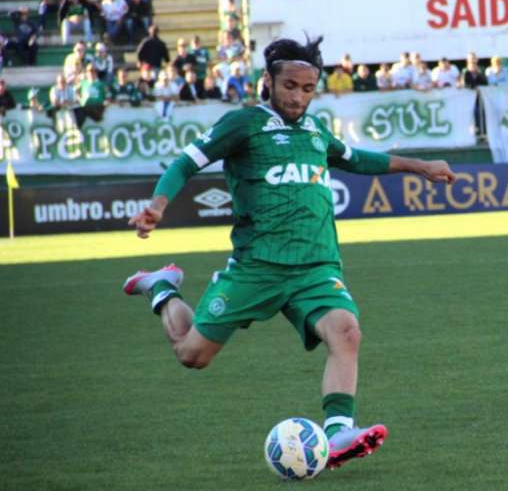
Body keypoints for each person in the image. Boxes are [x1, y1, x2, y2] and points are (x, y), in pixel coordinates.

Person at [123, 35, 456, 471]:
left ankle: (337, 431)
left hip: (315, 266)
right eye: (290, 87)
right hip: (257, 266)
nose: (298, 97)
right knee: (192, 355)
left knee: (346, 332)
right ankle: (163, 288)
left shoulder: (315, 132)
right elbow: (185, 162)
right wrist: (158, 205)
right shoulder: (243, 123)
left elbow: (359, 158)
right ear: (268, 81)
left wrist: (422, 167)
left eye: (307, 89)